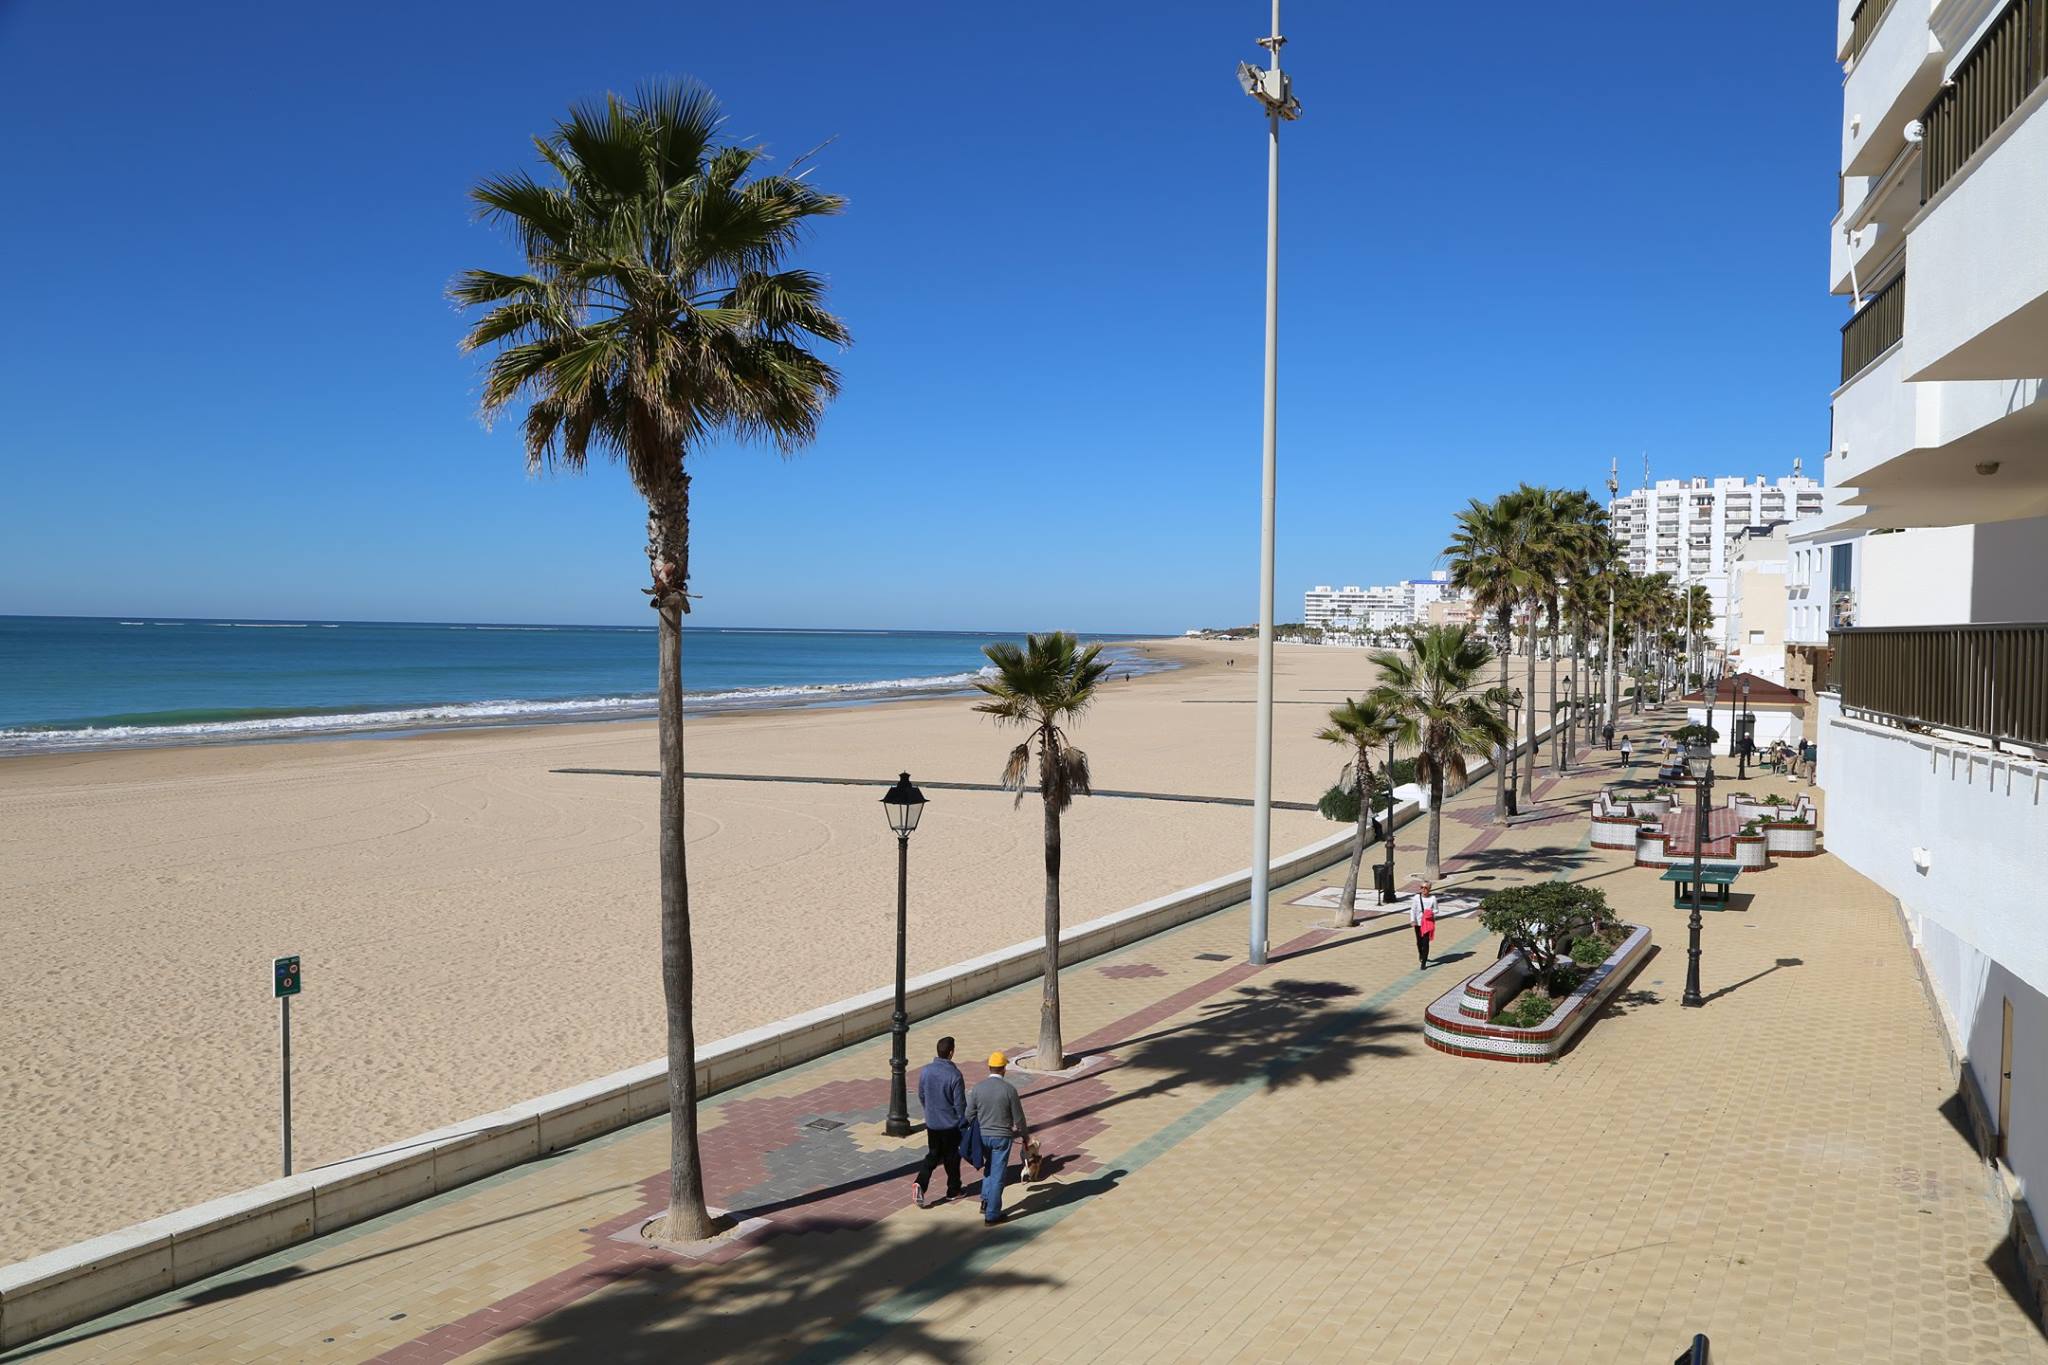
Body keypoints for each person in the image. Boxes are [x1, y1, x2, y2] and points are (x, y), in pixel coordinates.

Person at [966, 1051, 1030, 1225]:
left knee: (989, 1167)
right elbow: (1019, 1118)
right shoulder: (1009, 1090)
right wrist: (1025, 1136)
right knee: (998, 1174)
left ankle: (985, 1201)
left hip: (983, 1136)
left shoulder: (978, 1088)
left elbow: (968, 1114)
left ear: (989, 1067)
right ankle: (992, 1215)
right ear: (1003, 1069)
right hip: (1002, 1138)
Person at [912, 1036, 966, 1208]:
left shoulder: (926, 1071)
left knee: (933, 1155)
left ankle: (920, 1182)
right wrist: (963, 1121)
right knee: (952, 1157)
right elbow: (960, 1104)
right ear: (951, 1053)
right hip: (950, 1125)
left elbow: (921, 1094)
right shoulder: (955, 1075)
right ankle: (953, 1189)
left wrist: (929, 1110)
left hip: (932, 1124)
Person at [1409, 880, 1439, 969]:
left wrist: (1430, 912)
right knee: (1419, 942)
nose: (1423, 889)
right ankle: (1421, 954)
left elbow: (1437, 910)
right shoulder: (1416, 898)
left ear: (1429, 889)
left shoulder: (1433, 898)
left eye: (1425, 888)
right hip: (1418, 923)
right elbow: (1412, 910)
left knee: (1426, 943)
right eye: (1421, 887)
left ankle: (1424, 963)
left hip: (1427, 923)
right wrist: (1412, 920)